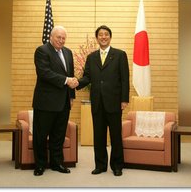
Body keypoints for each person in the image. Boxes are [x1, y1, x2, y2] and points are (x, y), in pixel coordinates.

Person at [77, 25, 130, 176]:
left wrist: (124, 99)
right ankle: (100, 165)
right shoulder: (91, 57)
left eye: (106, 34)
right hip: (98, 103)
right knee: (98, 136)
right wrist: (76, 83)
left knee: (115, 136)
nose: (103, 37)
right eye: (100, 35)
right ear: (97, 38)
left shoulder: (120, 55)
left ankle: (117, 165)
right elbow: (87, 77)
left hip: (114, 102)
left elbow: (125, 79)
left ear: (110, 37)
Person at [32, 25, 78, 176]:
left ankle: (57, 163)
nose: (61, 40)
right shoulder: (42, 51)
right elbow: (44, 73)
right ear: (51, 37)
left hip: (63, 102)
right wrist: (66, 81)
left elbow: (70, 74)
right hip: (46, 102)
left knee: (58, 135)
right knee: (41, 135)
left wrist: (71, 95)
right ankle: (40, 165)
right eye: (58, 37)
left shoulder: (68, 52)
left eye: (64, 38)